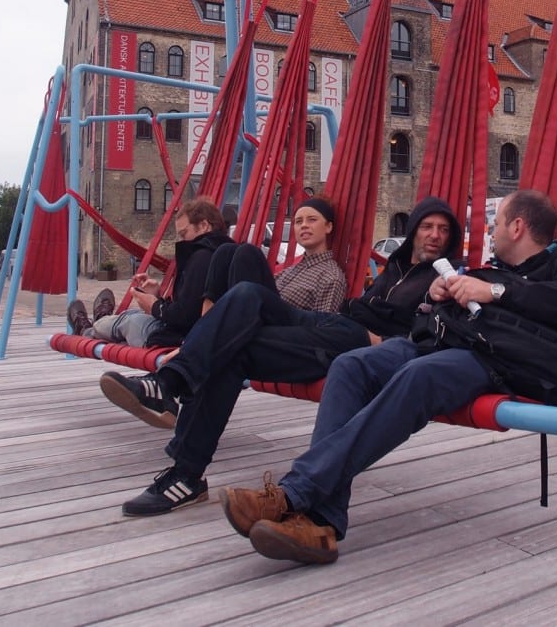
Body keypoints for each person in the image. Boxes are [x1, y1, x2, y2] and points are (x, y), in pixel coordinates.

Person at [220, 189, 557, 565]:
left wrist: (493, 291)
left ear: (517, 227)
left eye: (496, 223)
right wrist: (438, 297)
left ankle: (294, 495)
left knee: (419, 375)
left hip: (493, 362)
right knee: (352, 365)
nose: (491, 231)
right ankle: (323, 521)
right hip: (441, 343)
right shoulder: (493, 267)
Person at [102, 196, 463, 517]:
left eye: (443, 230)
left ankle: (171, 403)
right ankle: (184, 467)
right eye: (427, 227)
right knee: (241, 306)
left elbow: (429, 336)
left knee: (237, 321)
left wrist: (392, 331)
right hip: (333, 326)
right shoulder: (396, 270)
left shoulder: (445, 281)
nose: (434, 235)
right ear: (413, 231)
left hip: (357, 345)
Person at [68, 197, 232, 348]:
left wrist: (154, 305)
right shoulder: (228, 252)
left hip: (180, 340)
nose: (182, 241)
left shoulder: (202, 256)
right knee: (130, 316)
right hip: (202, 336)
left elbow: (185, 317)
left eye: (184, 234)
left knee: (129, 319)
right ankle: (100, 321)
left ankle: (86, 330)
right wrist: (158, 295)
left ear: (204, 225)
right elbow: (193, 306)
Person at [200, 197, 347, 317]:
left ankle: (209, 333)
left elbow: (324, 329)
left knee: (247, 253)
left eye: (312, 220)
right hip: (257, 319)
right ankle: (205, 323)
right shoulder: (291, 271)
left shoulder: (330, 276)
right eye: (298, 221)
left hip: (283, 334)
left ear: (328, 227)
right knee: (226, 251)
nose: (304, 226)